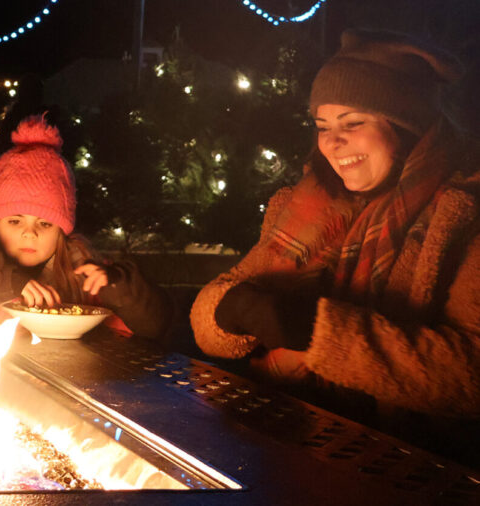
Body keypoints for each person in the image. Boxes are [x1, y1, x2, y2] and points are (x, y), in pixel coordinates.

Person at [190, 30, 480, 461]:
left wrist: (320, 332)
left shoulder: (461, 215)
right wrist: (232, 309)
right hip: (289, 442)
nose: (331, 143)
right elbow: (211, 318)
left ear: (408, 125)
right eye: (322, 126)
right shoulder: (304, 207)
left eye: (353, 123)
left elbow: (467, 379)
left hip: (409, 462)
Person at [0, 115, 173, 341]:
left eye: (45, 223)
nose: (29, 233)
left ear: (61, 231)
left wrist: (118, 287)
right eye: (15, 221)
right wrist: (8, 281)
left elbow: (155, 326)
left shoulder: (81, 273)